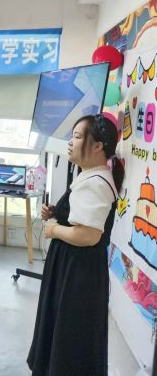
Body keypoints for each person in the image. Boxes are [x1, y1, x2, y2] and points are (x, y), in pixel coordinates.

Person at [28, 114, 125, 375]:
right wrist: (58, 213)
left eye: (78, 137)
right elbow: (83, 218)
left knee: (71, 336)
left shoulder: (96, 183)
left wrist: (54, 229)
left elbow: (89, 235)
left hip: (77, 272)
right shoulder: (91, 176)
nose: (70, 142)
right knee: (66, 332)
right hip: (73, 267)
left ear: (98, 146)